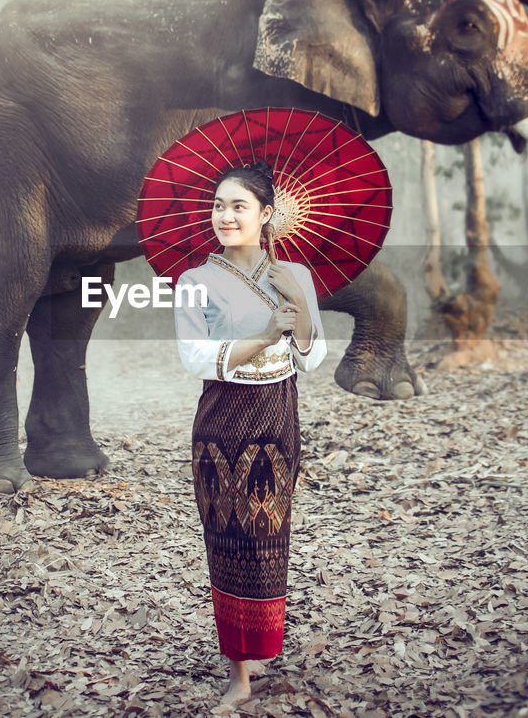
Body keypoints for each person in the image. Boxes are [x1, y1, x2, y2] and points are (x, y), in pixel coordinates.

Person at [173, 160, 327, 707]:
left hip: (279, 417)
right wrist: (264, 336)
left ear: (267, 214)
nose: (225, 215)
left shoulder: (296, 275)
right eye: (218, 206)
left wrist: (299, 306)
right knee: (230, 539)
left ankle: (262, 644)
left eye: (238, 206)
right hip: (222, 422)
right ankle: (238, 675)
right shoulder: (196, 282)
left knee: (269, 538)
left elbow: (312, 357)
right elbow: (195, 358)